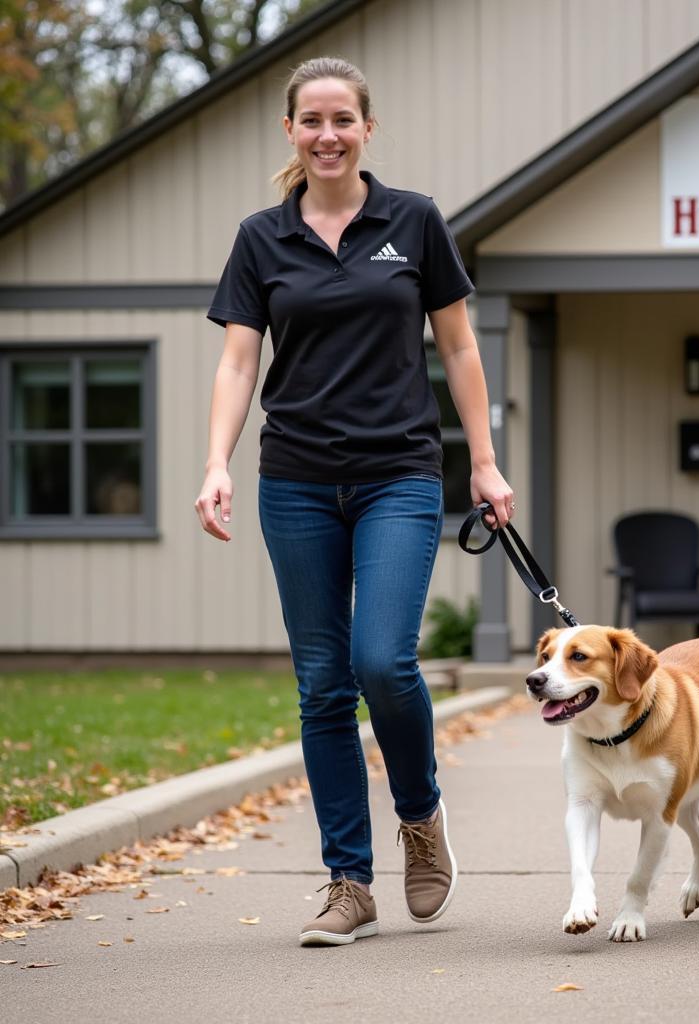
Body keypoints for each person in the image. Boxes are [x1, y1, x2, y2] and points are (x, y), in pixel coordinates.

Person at [194, 56, 514, 947]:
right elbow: (236, 361)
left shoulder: (412, 222)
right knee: (323, 686)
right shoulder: (262, 238)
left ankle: (420, 818)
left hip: (398, 475)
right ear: (290, 132)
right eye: (311, 121)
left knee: (382, 661)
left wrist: (483, 463)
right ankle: (348, 880)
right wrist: (217, 461)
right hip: (292, 480)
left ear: (368, 127)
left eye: (343, 119)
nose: (327, 135)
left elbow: (459, 349)